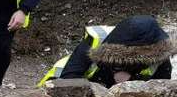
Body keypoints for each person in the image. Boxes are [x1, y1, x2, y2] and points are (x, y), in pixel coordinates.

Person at [38, 15, 175, 88]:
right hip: (58, 82)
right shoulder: (95, 42)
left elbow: (160, 89)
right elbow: (68, 79)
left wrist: (131, 82)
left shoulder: (159, 54)